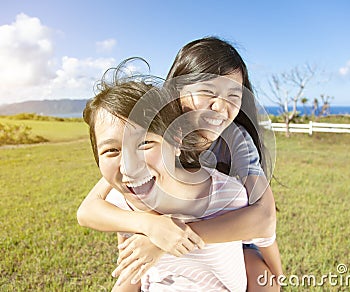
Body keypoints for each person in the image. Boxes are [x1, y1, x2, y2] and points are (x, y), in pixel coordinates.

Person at [77, 37, 282, 290]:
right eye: (207, 92)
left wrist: (166, 240)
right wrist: (149, 227)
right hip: (167, 230)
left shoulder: (236, 139)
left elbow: (264, 219)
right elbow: (89, 210)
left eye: (233, 96)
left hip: (233, 230)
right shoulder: (154, 134)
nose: (220, 106)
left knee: (263, 277)